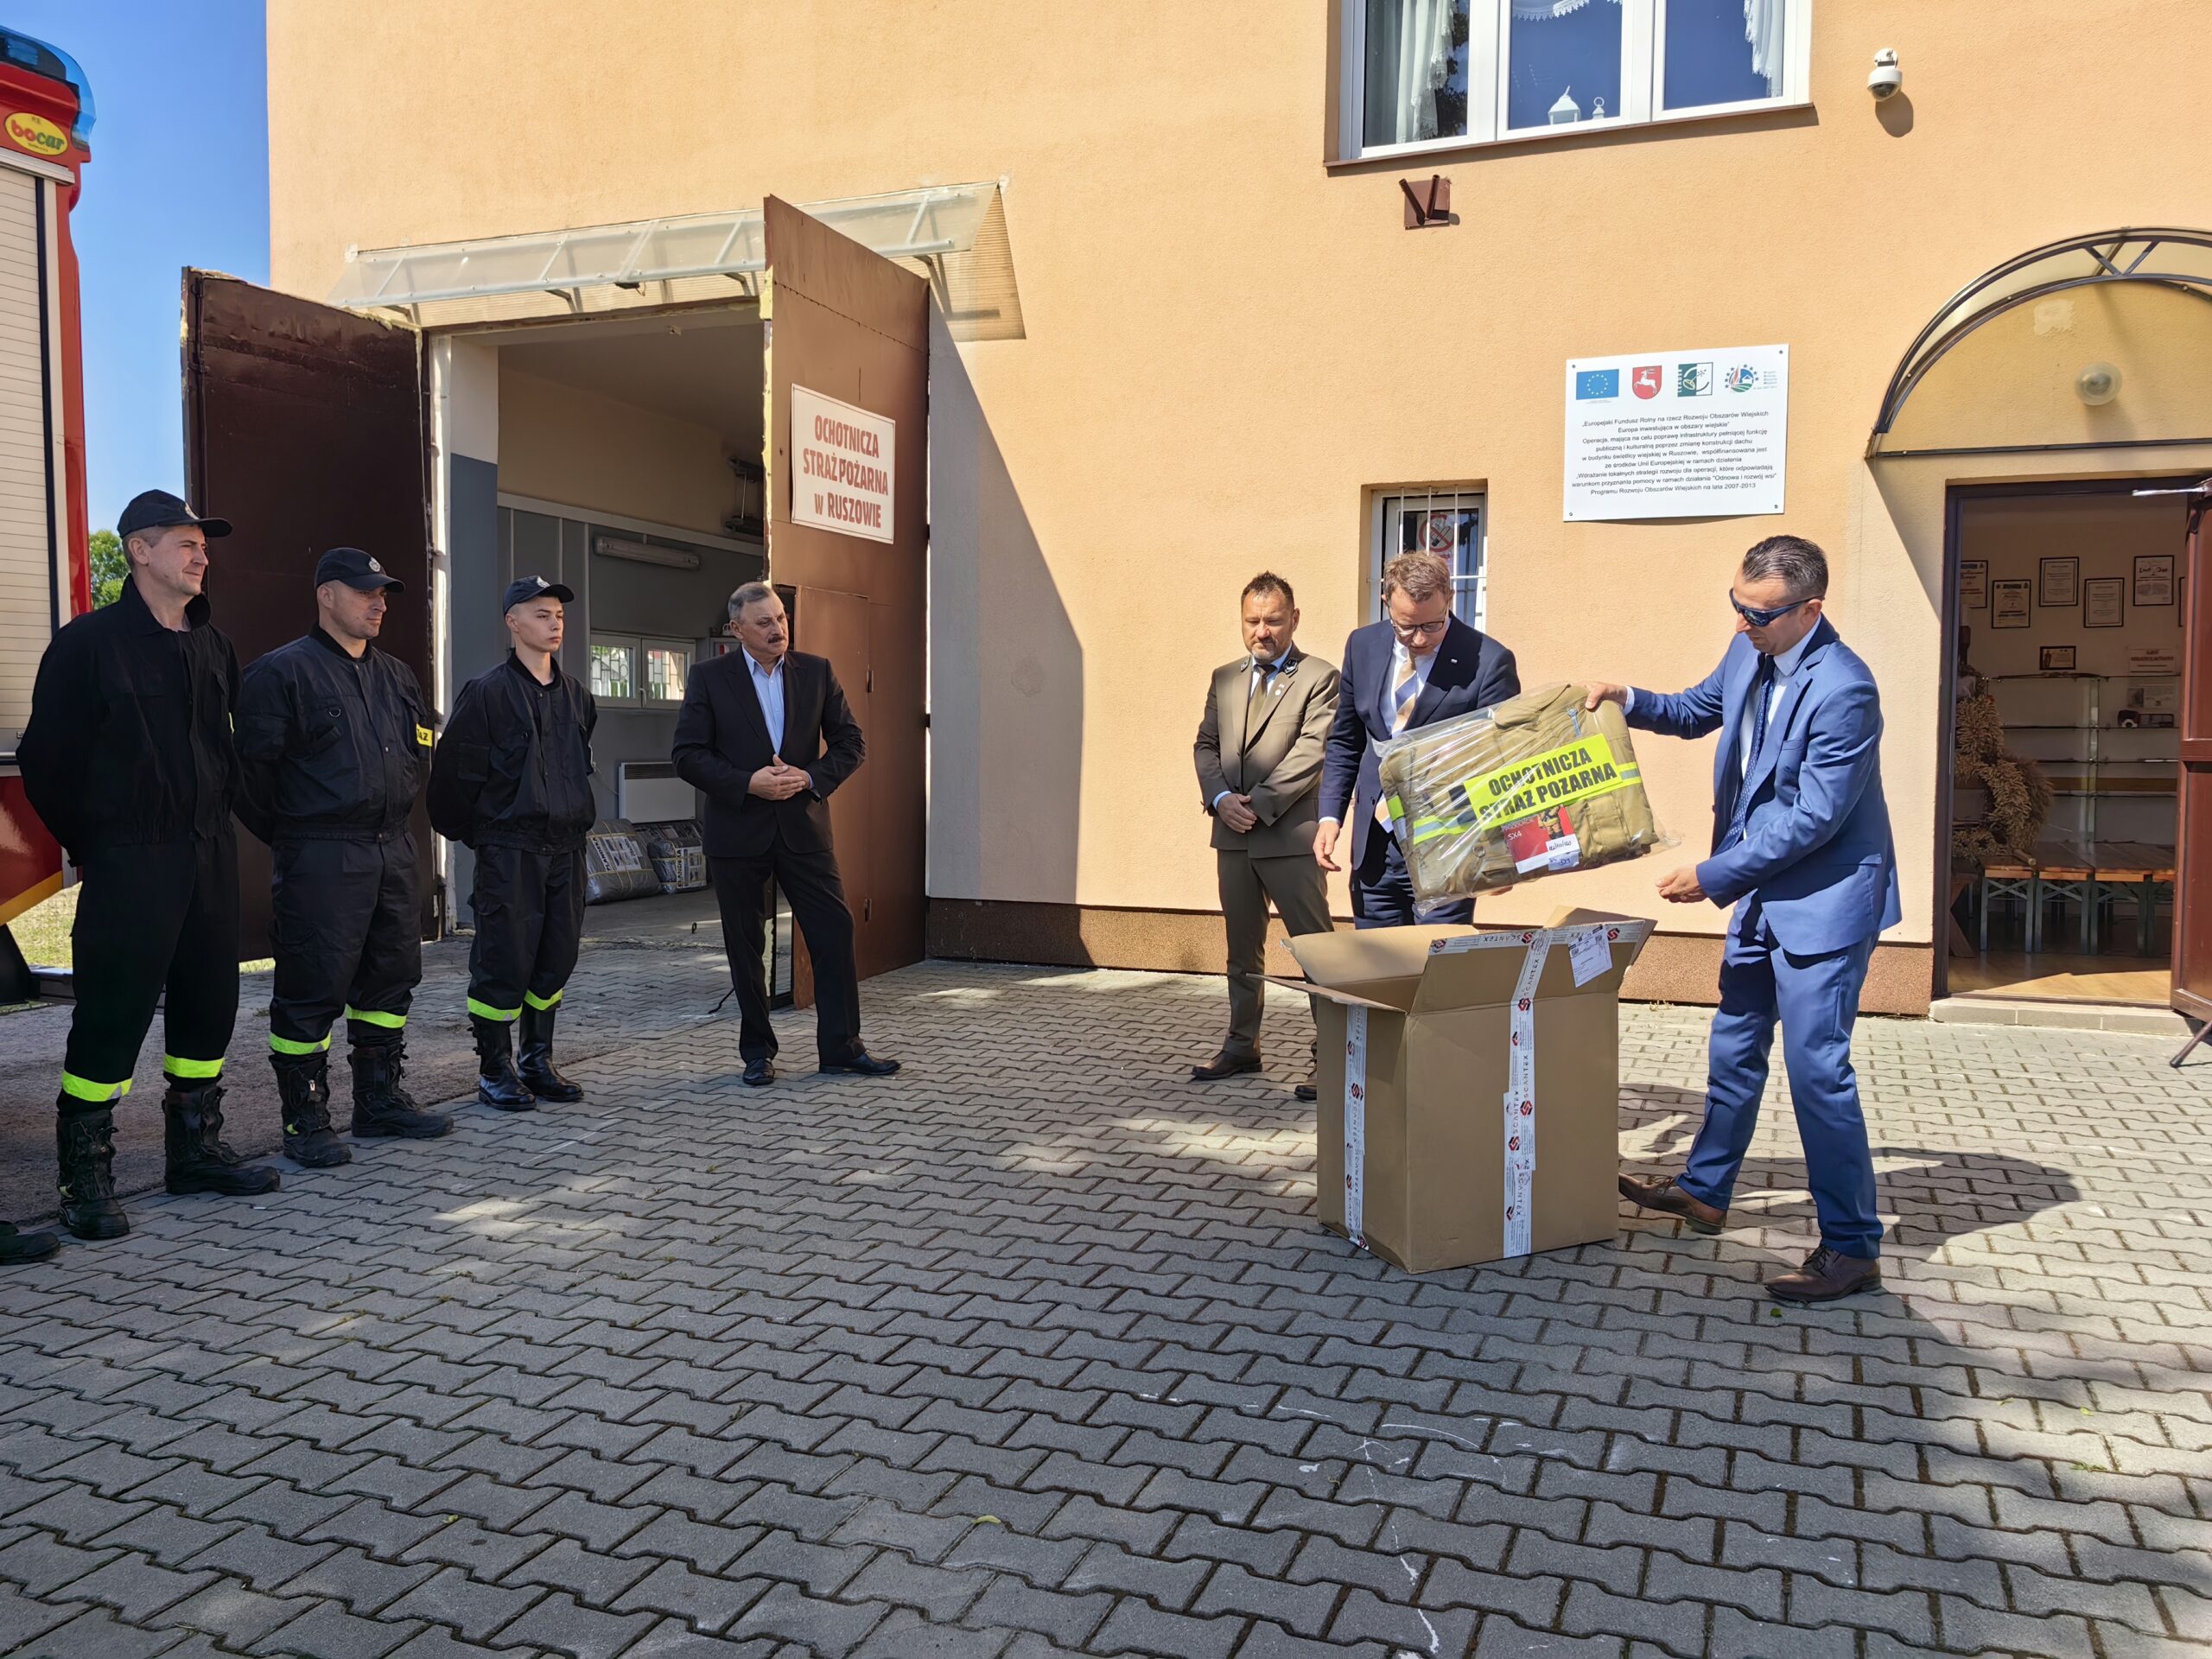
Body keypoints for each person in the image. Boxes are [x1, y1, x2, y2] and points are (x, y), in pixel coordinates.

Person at [1586, 534, 1901, 1305]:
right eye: (1737, 606)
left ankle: (1852, 1247)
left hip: (1824, 903)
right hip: (1762, 896)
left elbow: (1816, 818)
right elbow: (1698, 709)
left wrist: (1713, 875)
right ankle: (1705, 1191)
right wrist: (1627, 697)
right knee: (1733, 1046)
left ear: (1810, 611)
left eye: (1758, 615)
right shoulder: (1750, 650)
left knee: (1818, 1073)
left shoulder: (1846, 690)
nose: (1741, 624)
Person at [17, 489, 281, 1240]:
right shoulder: (88, 645)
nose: (202, 556)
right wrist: (98, 843)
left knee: (209, 1005)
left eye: (204, 545)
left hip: (208, 854)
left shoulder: (213, 645)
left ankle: (193, 1153)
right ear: (139, 550)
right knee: (114, 1014)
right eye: (186, 543)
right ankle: (85, 1176)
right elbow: (45, 761)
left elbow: (225, 750)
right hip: (131, 858)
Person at [237, 548, 452, 1166]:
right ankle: (305, 1119)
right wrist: (298, 837)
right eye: (364, 592)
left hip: (393, 849)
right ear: (326, 595)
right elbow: (249, 780)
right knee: (312, 986)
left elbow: (414, 757)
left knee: (391, 978)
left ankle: (378, 1103)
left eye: (383, 593)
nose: (378, 603)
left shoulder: (398, 676)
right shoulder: (280, 674)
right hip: (322, 854)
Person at [673, 582, 897, 1086]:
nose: (778, 629)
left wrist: (810, 778)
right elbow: (687, 755)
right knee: (746, 944)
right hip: (738, 833)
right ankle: (757, 1053)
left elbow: (851, 742)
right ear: (737, 630)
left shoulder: (815, 671)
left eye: (781, 618)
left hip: (804, 829)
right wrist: (746, 782)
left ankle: (842, 1048)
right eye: (765, 622)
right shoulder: (709, 678)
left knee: (834, 932)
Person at [428, 576, 598, 1111]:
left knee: (556, 956)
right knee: (504, 959)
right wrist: (484, 837)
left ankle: (537, 1060)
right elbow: (452, 780)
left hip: (566, 849)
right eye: (542, 614)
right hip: (510, 849)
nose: (555, 624)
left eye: (559, 616)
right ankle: (494, 1069)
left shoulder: (577, 696)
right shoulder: (487, 694)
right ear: (513, 622)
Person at [1191, 572, 1339, 1100]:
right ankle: (1241, 1045)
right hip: (1232, 835)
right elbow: (1206, 746)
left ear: (1293, 619)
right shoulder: (1224, 678)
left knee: (1316, 951)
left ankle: (1333, 1057)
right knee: (1241, 948)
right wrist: (1220, 799)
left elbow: (1313, 750)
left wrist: (1256, 804)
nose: (1262, 631)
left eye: (1273, 620)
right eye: (1252, 621)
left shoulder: (1320, 677)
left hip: (1288, 837)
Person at [1316, 550, 1520, 925]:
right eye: (1406, 627)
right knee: (1377, 961)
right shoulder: (1361, 646)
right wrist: (1330, 816)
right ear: (1387, 603)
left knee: (1433, 961)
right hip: (1374, 848)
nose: (1420, 638)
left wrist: (1500, 851)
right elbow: (1346, 740)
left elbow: (1500, 761)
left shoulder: (1490, 661)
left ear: (1449, 599)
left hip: (1447, 848)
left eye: (1432, 624)